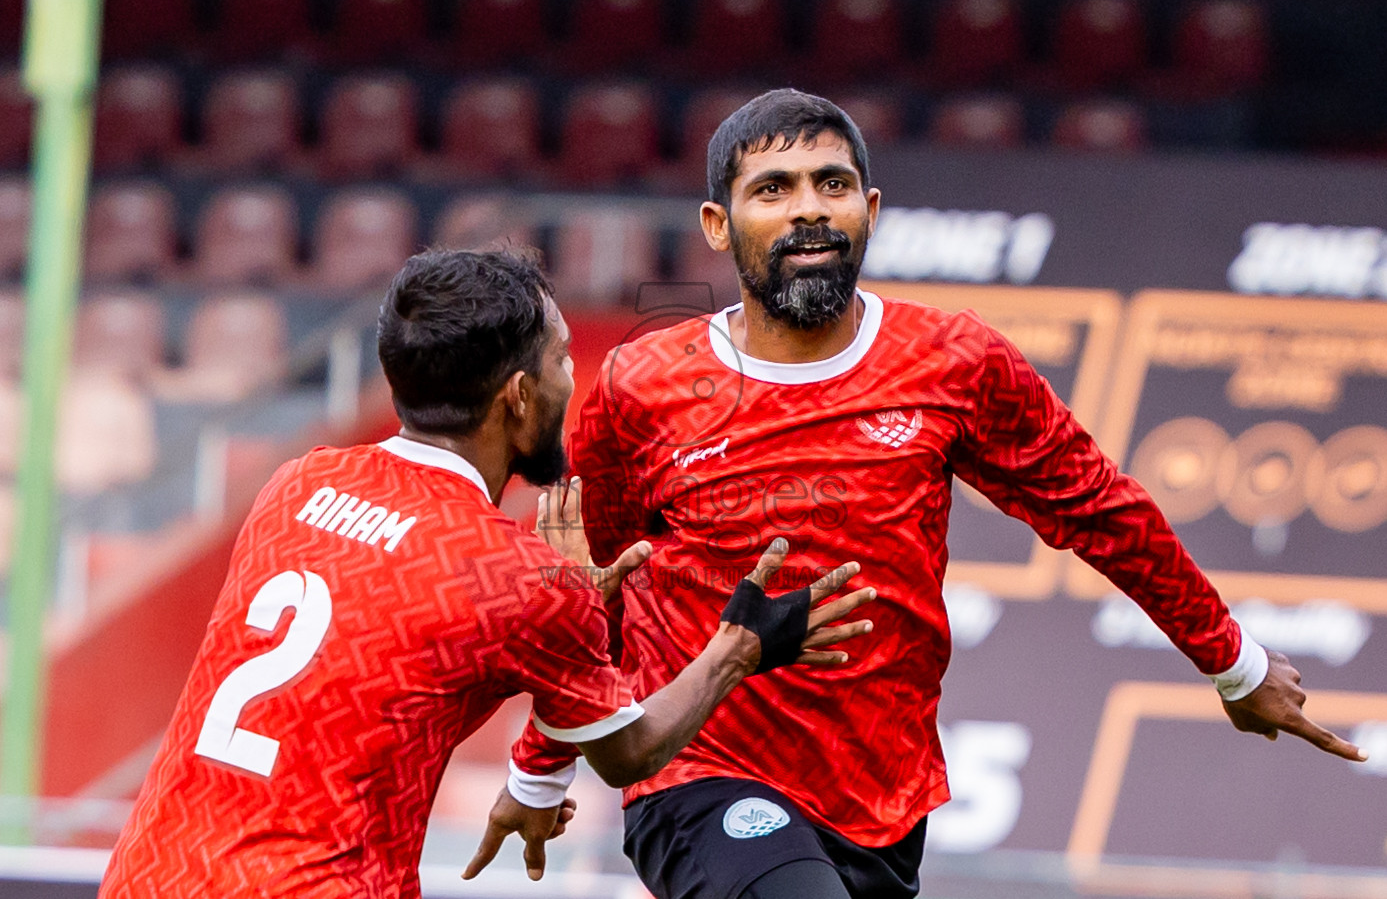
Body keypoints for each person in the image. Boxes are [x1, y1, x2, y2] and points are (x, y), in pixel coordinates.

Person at [487, 90, 1369, 899]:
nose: (806, 208)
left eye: (831, 183)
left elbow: (1099, 510)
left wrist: (1232, 662)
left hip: (881, 796)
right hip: (700, 774)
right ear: (719, 224)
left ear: (868, 211)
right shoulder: (640, 387)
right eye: (773, 188)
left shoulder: (955, 361)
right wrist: (540, 768)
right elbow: (589, 593)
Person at [97, 248, 876, 899]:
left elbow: (398, 668)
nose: (575, 378)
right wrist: (736, 648)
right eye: (564, 357)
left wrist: (567, 625)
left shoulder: (295, 484)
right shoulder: (518, 578)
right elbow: (629, 751)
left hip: (148, 872)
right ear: (519, 395)